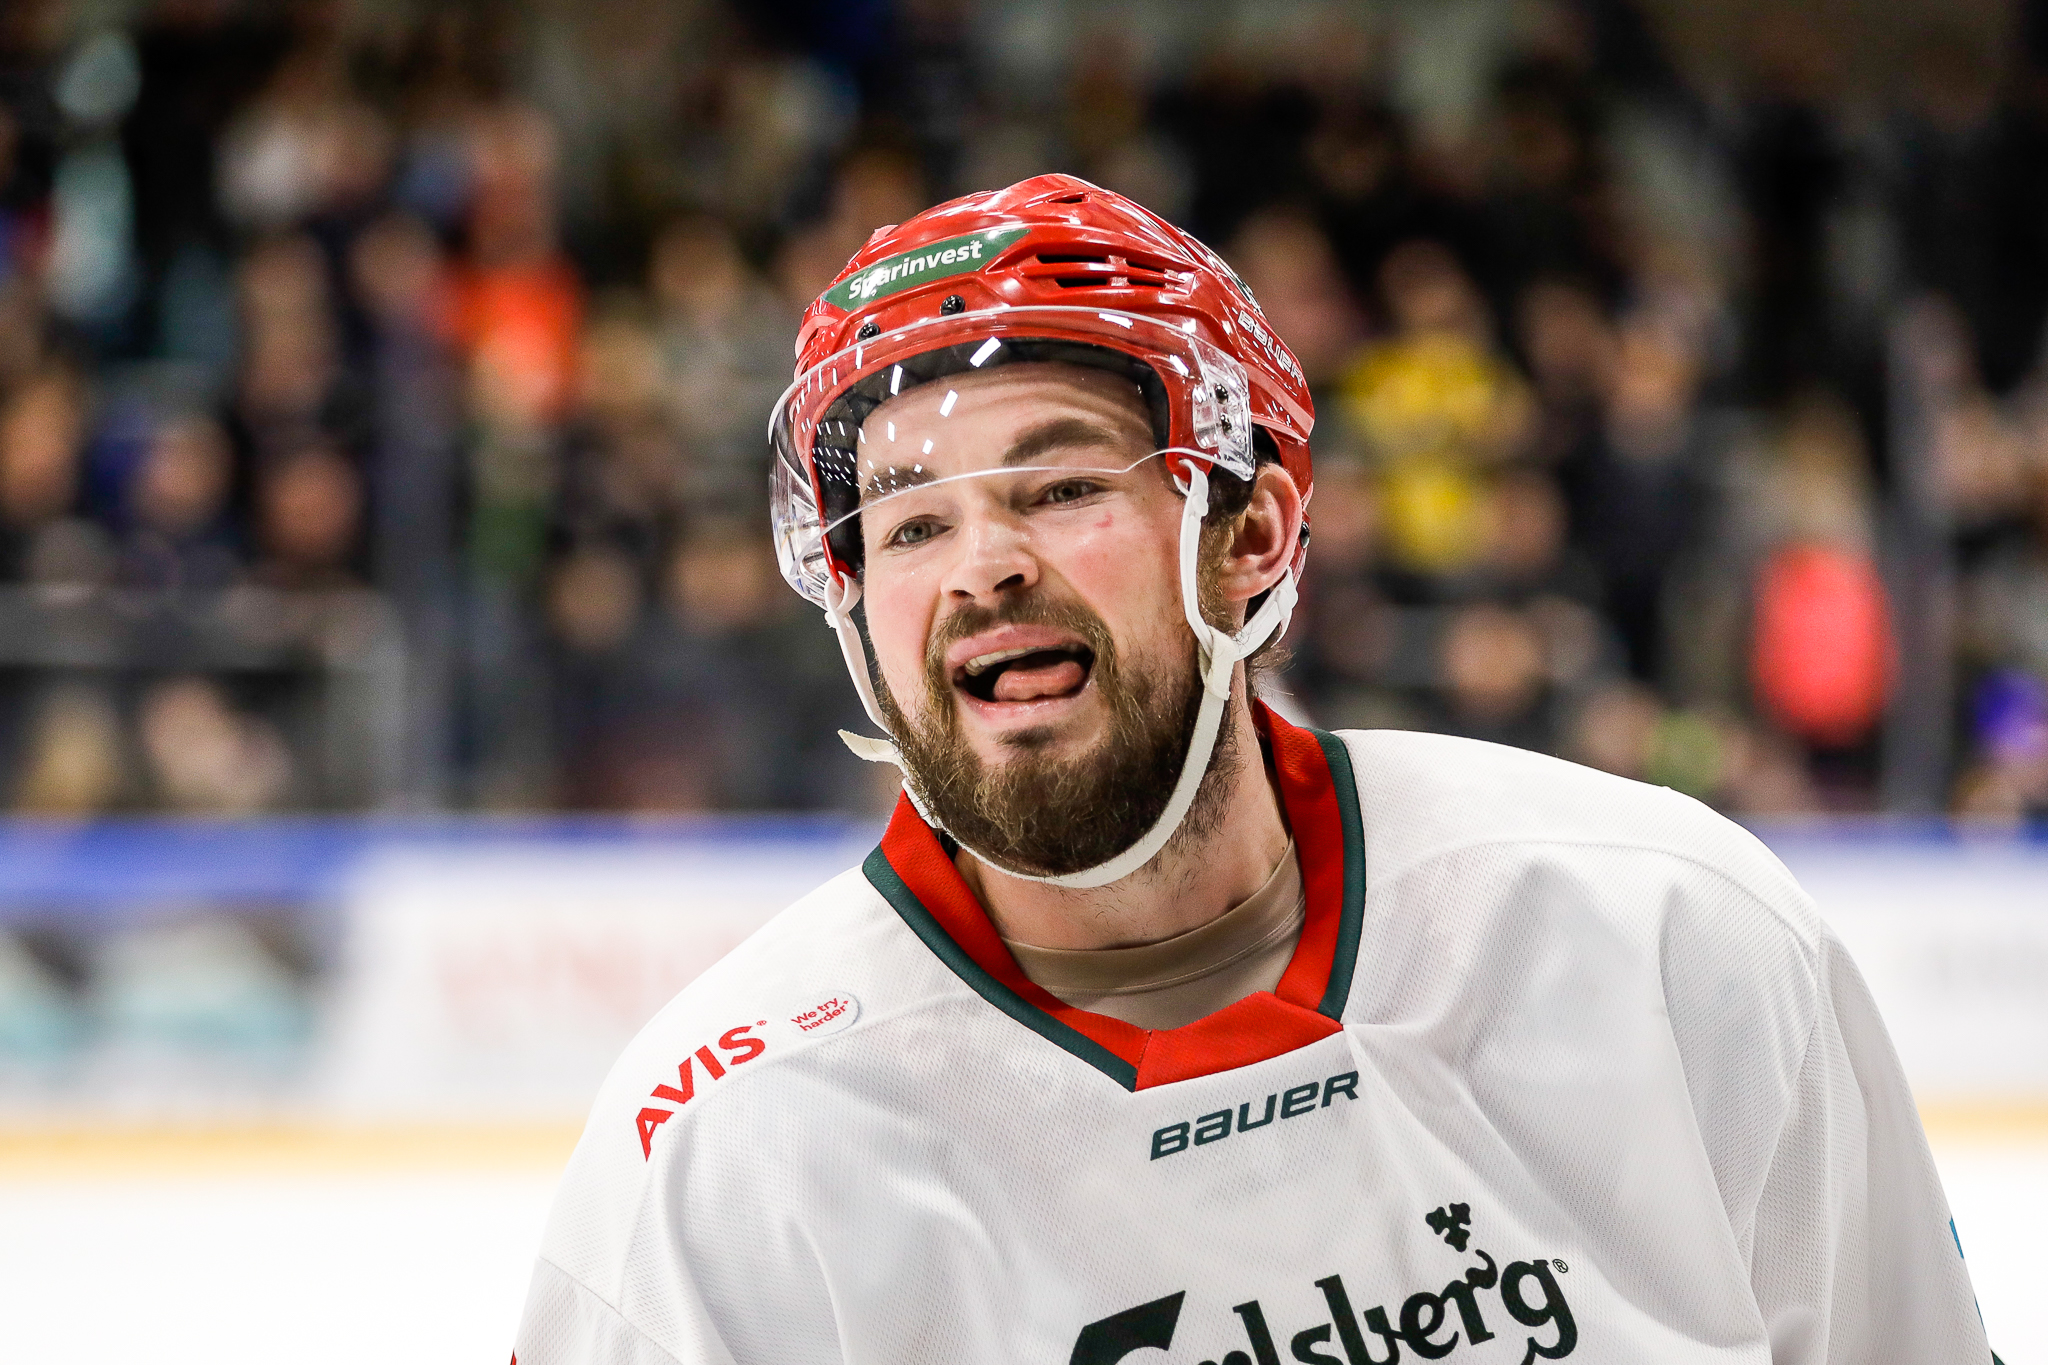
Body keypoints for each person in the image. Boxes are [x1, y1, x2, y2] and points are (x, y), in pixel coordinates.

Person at [514, 176, 1992, 1364]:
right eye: (908, 523)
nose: (981, 567)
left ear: (1256, 533)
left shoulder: (1671, 937)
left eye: (1062, 484)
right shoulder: (719, 1157)